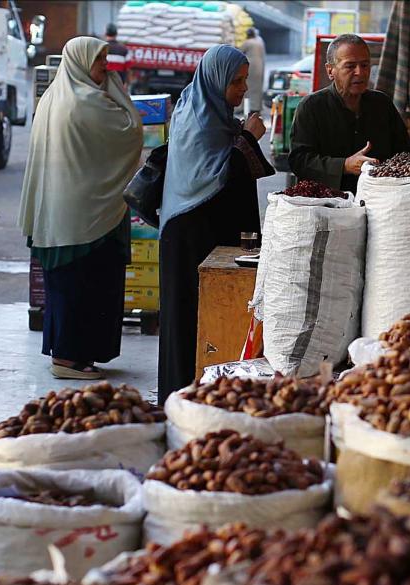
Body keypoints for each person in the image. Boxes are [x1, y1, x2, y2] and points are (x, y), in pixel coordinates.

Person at [17, 37, 143, 380]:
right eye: (99, 60)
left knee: (66, 286)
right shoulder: (87, 102)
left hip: (57, 214)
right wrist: (117, 89)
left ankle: (68, 354)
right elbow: (132, 132)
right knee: (83, 286)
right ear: (80, 63)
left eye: (105, 58)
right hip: (86, 217)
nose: (106, 66)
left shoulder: (53, 98)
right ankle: (70, 359)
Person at [158, 45, 273, 403]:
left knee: (214, 321)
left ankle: (208, 398)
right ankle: (179, 397)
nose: (242, 89)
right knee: (187, 322)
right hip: (190, 235)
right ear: (215, 80)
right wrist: (249, 138)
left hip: (211, 235)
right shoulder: (198, 120)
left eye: (244, 81)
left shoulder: (217, 115)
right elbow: (213, 180)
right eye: (235, 82)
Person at [288, 33, 410, 194]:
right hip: (328, 204)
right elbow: (299, 161)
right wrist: (344, 165)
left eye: (365, 65)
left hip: (379, 200)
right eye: (350, 66)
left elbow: (404, 152)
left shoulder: (382, 104)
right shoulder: (311, 107)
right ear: (330, 70)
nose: (359, 72)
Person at [239, 27, 266, 112]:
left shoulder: (248, 42)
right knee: (257, 89)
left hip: (251, 67)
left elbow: (239, 51)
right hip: (260, 65)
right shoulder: (260, 41)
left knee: (247, 88)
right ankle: (256, 108)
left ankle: (244, 108)